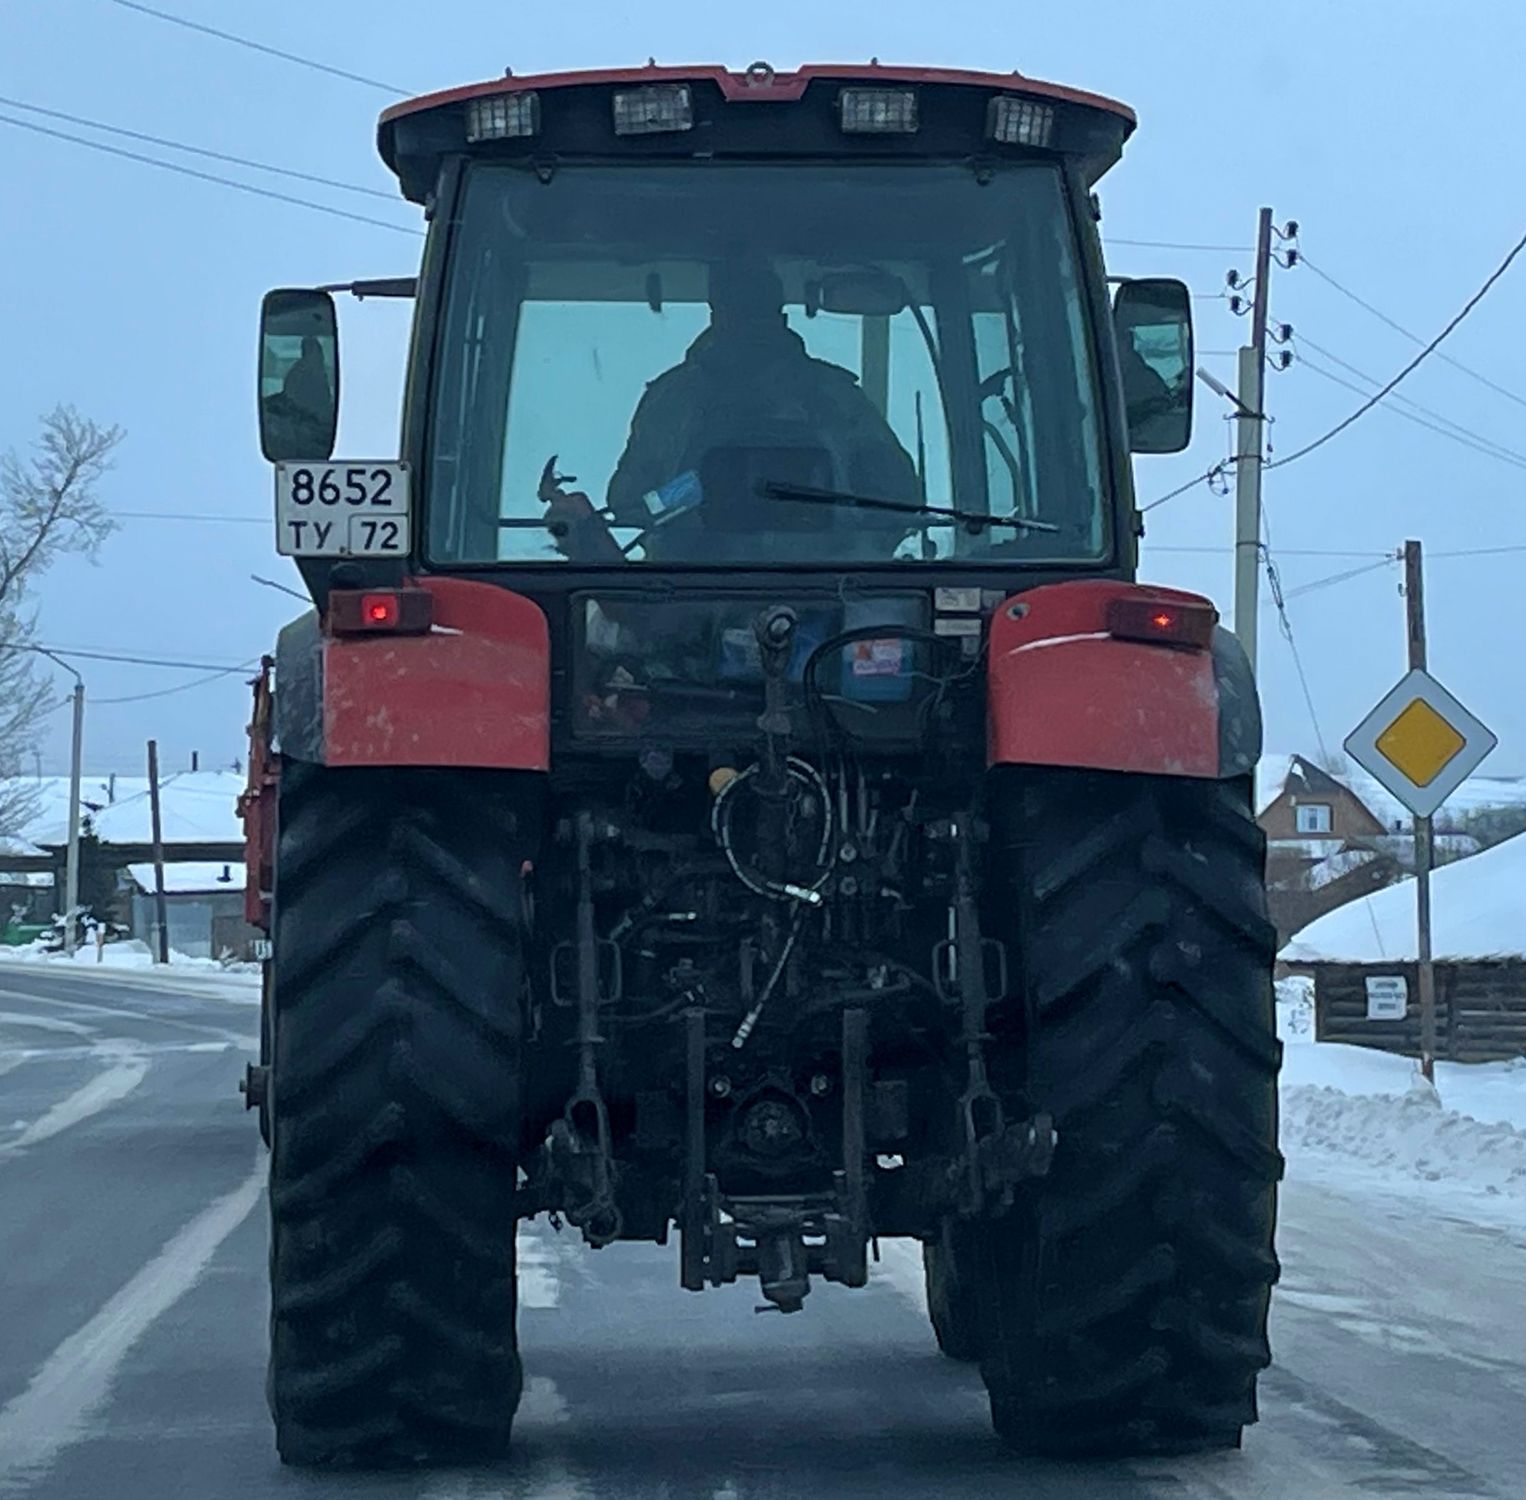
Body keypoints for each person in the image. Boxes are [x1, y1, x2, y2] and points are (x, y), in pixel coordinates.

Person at [546, 258, 920, 562]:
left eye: (756, 308)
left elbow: (898, 505)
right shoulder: (674, 400)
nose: (750, 321)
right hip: (684, 607)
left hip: (831, 600)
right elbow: (634, 507)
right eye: (743, 308)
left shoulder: (836, 398)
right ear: (718, 313)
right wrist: (693, 490)